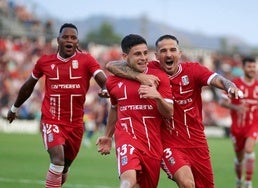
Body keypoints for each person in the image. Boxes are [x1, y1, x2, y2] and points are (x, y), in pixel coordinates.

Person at [106, 34, 243, 188]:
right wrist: (138, 77)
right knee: (187, 183)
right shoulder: (149, 69)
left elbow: (217, 78)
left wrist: (229, 86)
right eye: (163, 51)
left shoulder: (193, 70)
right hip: (168, 144)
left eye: (172, 50)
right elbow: (112, 65)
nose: (168, 54)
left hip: (197, 143)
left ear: (179, 53)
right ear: (156, 56)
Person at [6, 23, 108, 188]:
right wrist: (14, 108)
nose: (69, 40)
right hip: (52, 120)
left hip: (75, 125)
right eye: (65, 37)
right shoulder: (45, 62)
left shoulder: (86, 60)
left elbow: (103, 79)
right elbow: (28, 86)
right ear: (58, 40)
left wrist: (106, 89)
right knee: (58, 160)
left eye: (73, 38)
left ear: (77, 42)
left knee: (63, 170)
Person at [96, 34, 174, 188]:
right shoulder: (113, 81)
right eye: (138, 54)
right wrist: (107, 136)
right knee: (128, 181)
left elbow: (169, 112)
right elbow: (114, 107)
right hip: (127, 139)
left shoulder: (158, 77)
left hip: (152, 145)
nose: (144, 58)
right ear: (125, 56)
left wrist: (157, 97)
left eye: (145, 53)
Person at [220, 56, 258, 188]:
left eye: (253, 66)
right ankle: (240, 180)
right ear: (243, 67)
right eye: (249, 66)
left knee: (249, 149)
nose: (252, 69)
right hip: (238, 127)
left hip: (254, 123)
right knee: (239, 159)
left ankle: (248, 183)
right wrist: (236, 107)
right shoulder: (234, 84)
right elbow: (222, 102)